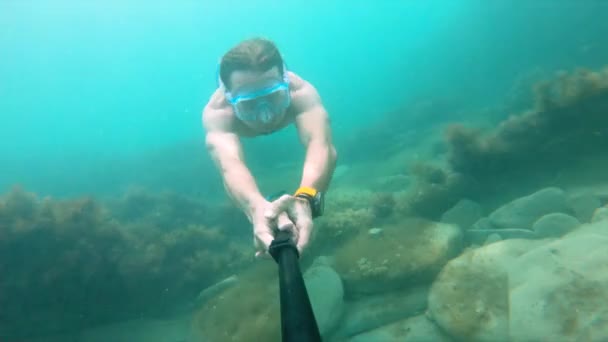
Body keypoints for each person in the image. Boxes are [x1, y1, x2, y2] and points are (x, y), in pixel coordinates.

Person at [202, 38, 337, 258]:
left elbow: (321, 146)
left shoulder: (300, 92)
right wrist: (256, 207)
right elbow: (229, 166)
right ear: (229, 98)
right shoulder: (219, 113)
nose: (266, 117)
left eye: (273, 97)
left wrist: (306, 198)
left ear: (285, 84)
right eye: (249, 104)